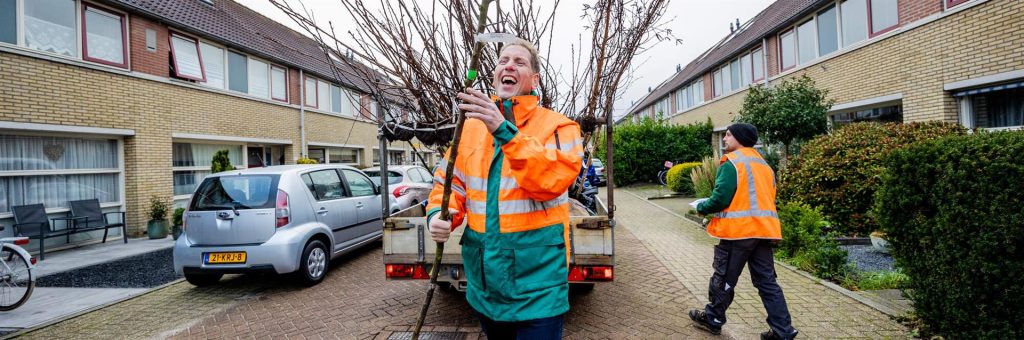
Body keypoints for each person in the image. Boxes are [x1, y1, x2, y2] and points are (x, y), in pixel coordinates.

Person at [425, 39, 583, 339]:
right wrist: (439, 214)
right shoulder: (470, 127)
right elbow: (449, 185)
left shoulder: (560, 127)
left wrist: (504, 131)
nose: (509, 65)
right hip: (486, 283)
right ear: (495, 73)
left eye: (519, 62)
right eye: (503, 60)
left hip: (538, 285)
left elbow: (551, 180)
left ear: (534, 79)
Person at [689, 123, 799, 340]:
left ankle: (713, 319)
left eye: (728, 135)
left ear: (739, 137)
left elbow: (721, 198)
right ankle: (783, 331)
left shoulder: (732, 162)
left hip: (739, 233)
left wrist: (701, 207)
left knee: (725, 278)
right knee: (767, 282)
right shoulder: (765, 165)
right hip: (764, 232)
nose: (724, 139)